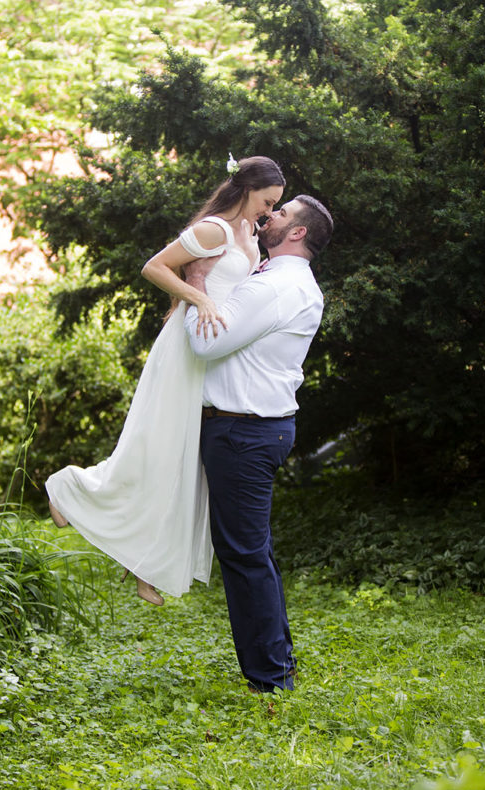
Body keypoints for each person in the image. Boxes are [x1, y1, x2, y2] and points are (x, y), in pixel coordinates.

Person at [45, 156, 286, 606]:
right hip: (185, 349)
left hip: (214, 352)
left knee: (185, 462)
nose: (269, 212)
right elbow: (155, 267)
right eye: (267, 201)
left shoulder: (249, 234)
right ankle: (69, 487)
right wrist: (198, 299)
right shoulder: (213, 229)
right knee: (158, 447)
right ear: (249, 188)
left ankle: (143, 565)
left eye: (276, 206)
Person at [183, 195, 333, 692]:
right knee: (253, 552)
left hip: (242, 432)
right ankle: (276, 666)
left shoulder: (274, 288)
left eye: (283, 213)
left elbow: (205, 341)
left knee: (245, 555)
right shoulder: (284, 282)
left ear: (299, 234)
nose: (271, 215)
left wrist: (199, 280)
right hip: (256, 428)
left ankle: (271, 678)